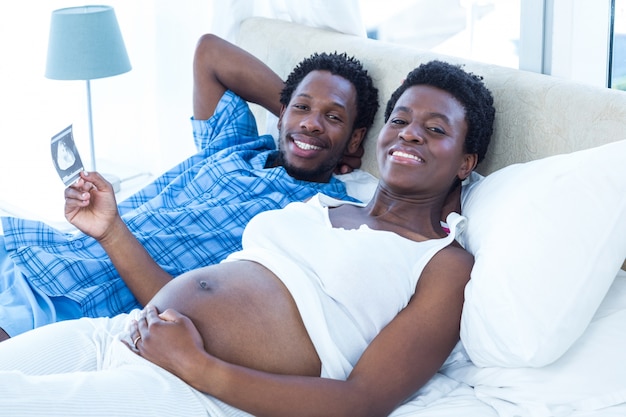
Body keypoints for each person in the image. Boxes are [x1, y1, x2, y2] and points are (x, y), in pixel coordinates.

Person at [0, 60, 495, 416]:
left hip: (195, 389)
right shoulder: (321, 206)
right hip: (125, 332)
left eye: (434, 129)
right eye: (401, 120)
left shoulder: (444, 263)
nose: (409, 134)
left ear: (466, 163)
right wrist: (111, 231)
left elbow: (362, 402)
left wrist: (199, 367)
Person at [0, 34, 379, 341]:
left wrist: (313, 125)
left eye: (333, 117)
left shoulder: (319, 214)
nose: (312, 124)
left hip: (68, 296)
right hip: (32, 250)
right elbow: (209, 52)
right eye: (302, 108)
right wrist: (295, 115)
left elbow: (182, 305)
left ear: (356, 138)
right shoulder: (235, 145)